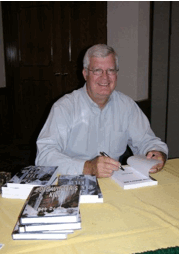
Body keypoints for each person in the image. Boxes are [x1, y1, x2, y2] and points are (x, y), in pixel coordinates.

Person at [35, 44, 168, 178]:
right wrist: (87, 167)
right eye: (97, 70)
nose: (105, 77)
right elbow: (44, 156)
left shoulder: (127, 106)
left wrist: (156, 153)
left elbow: (147, 140)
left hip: (115, 182)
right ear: (85, 74)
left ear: (116, 74)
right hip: (72, 180)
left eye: (110, 70)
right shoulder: (65, 107)